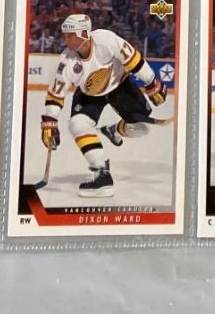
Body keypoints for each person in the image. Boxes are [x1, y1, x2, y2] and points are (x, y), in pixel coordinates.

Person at [38, 11, 167, 194]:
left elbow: (133, 59)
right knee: (77, 124)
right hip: (89, 95)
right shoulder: (66, 60)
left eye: (70, 35)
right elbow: (55, 94)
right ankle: (101, 174)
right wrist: (50, 121)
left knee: (142, 128)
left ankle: (114, 131)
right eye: (65, 34)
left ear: (83, 34)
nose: (65, 39)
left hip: (120, 87)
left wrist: (151, 82)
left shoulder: (106, 40)